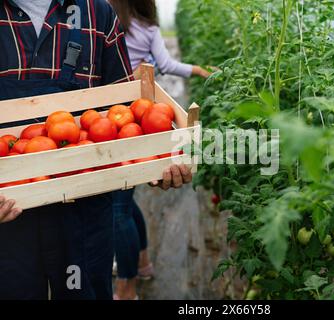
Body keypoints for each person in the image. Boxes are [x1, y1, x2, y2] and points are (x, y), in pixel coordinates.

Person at [0, 0, 192, 300]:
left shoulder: (97, 13)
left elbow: (125, 114)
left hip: (84, 208)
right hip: (7, 217)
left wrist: (152, 161)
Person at [108, 0, 212, 300]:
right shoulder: (148, 27)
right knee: (125, 202)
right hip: (140, 120)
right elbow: (165, 65)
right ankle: (142, 263)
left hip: (116, 122)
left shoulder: (107, 24)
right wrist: (198, 70)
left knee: (118, 211)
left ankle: (126, 287)